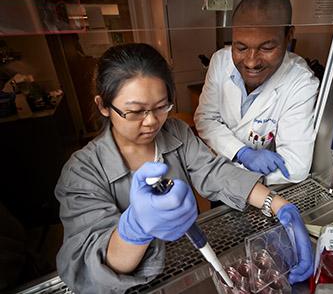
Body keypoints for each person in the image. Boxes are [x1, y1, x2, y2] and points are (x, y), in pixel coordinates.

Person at [54, 43, 313, 293]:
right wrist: (136, 229)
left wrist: (278, 204)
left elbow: (214, 172)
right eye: (135, 112)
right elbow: (92, 268)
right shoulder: (82, 171)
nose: (152, 122)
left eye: (161, 107)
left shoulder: (175, 132)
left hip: (185, 265)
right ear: (103, 106)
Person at [194, 0, 319, 185]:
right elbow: (205, 118)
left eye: (267, 47)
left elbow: (296, 166)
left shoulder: (301, 82)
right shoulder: (220, 61)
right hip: (218, 177)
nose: (251, 62)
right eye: (241, 47)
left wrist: (230, 172)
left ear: (289, 37)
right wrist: (241, 153)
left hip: (264, 186)